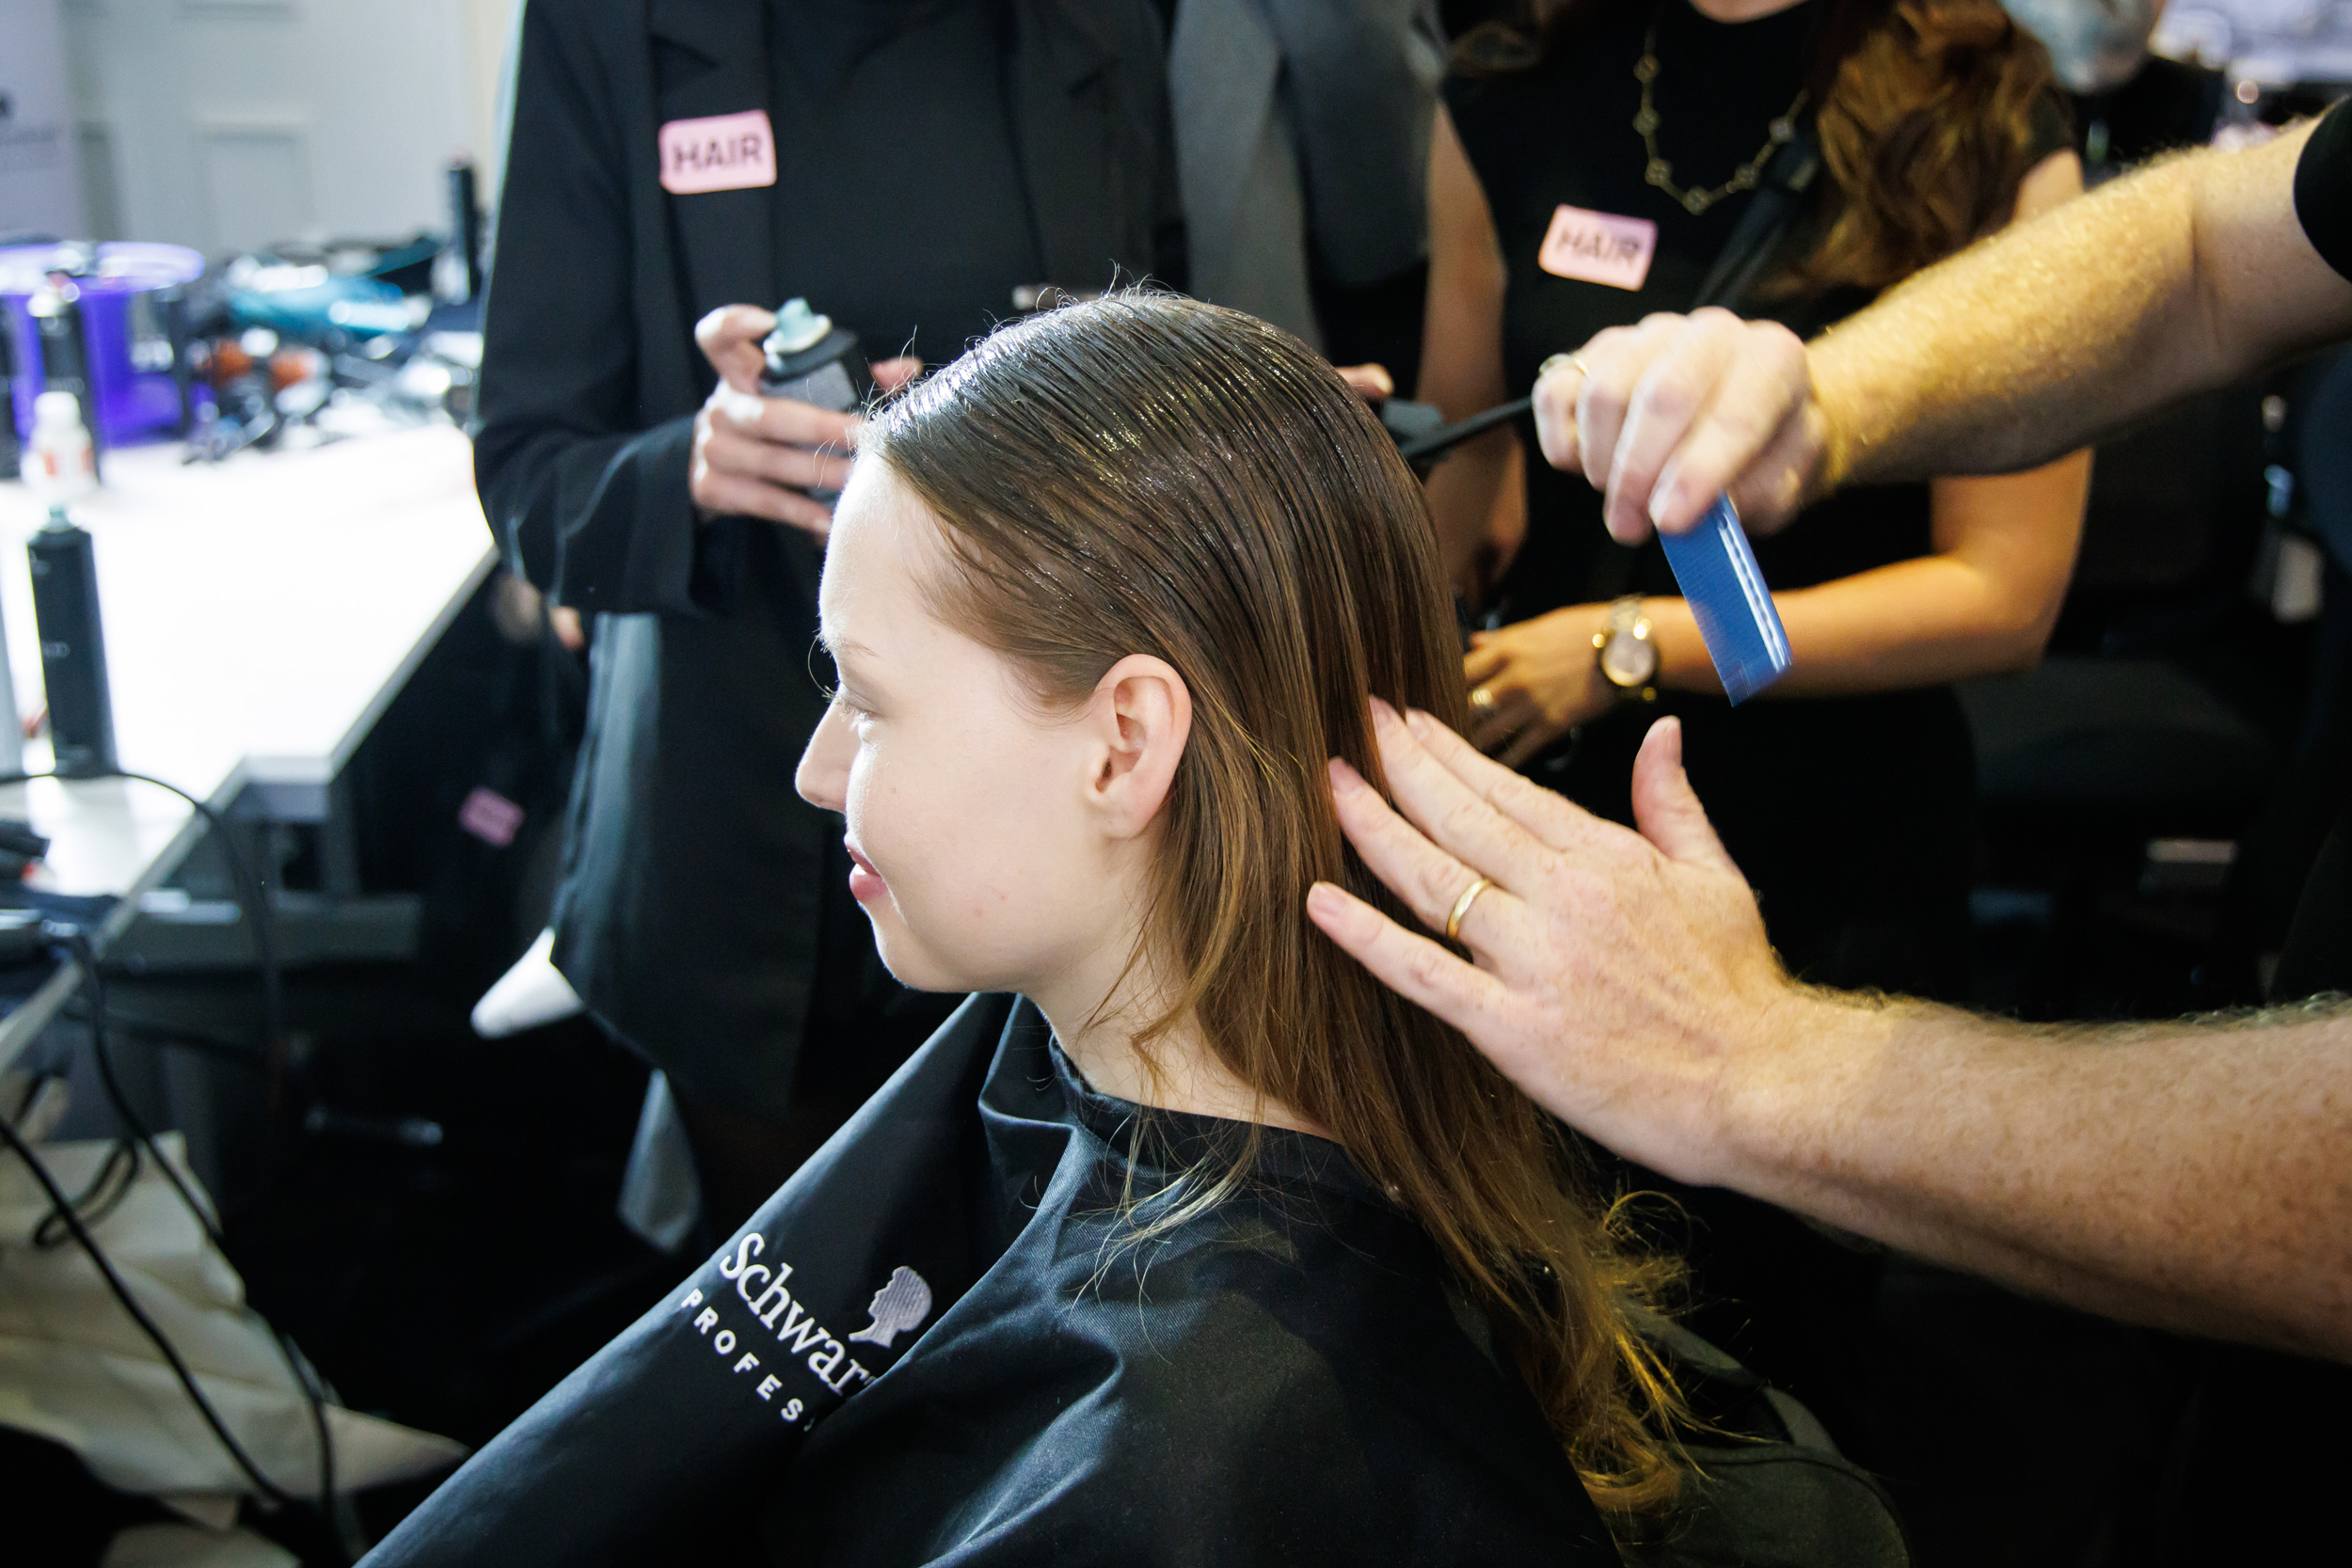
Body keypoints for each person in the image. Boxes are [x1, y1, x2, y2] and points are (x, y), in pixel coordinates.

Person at [365, 296, 1870, 1567]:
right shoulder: (1196, 1107)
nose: (817, 771)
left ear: (1121, 745)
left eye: (867, 699)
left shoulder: (1197, 1463)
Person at [1301, 100, 2352, 1363]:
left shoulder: (1986, 114)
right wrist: (1813, 401)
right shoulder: (1515, 85)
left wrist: (1758, 1062)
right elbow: (2202, 247)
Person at [1413, 0, 2089, 1449]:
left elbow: (2004, 592)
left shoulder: (1983, 119)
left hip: (1824, 831)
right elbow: (1461, 465)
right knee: (1508, 1353)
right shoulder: (1512, 85)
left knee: (1758, 1375)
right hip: (1547, 806)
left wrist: (1633, 649)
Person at [473, 0, 1182, 1229]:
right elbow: (532, 475)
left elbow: (1155, 347)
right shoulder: (606, 28)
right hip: (739, 835)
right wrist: (691, 471)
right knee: (795, 1347)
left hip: (1043, 823)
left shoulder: (1102, 21)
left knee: (1037, 1308)